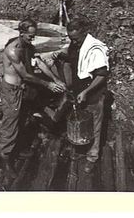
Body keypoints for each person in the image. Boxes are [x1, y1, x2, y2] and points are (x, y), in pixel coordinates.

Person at [0, 18, 66, 178]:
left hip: (22, 89)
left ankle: (18, 149)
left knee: (22, 119)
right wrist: (47, 84)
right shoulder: (13, 50)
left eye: (34, 36)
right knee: (11, 123)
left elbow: (40, 63)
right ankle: (5, 158)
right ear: (21, 33)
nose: (32, 39)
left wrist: (55, 79)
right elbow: (25, 75)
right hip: (12, 90)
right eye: (30, 36)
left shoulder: (28, 46)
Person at [47, 16, 110, 173]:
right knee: (81, 121)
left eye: (75, 39)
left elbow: (102, 75)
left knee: (94, 124)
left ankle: (92, 157)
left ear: (84, 33)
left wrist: (86, 91)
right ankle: (83, 149)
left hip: (93, 94)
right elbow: (75, 58)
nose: (73, 42)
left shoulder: (96, 49)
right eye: (71, 39)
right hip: (78, 91)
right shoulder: (76, 45)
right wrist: (59, 55)